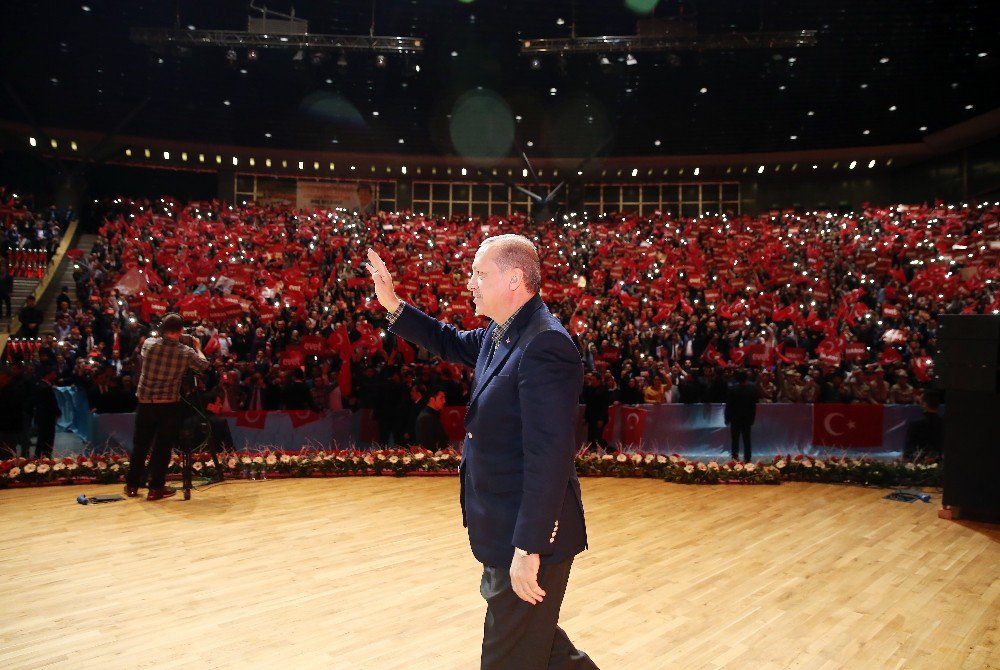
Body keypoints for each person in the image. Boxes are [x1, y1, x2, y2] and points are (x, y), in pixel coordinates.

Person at [367, 236, 598, 669]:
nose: (470, 283)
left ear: (514, 279)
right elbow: (449, 341)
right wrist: (392, 303)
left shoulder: (544, 345)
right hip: (504, 530)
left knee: (506, 657)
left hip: (528, 539)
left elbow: (550, 457)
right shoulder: (503, 330)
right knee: (546, 650)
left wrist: (530, 549)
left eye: (479, 274)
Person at [125, 313, 209, 501]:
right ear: (180, 331)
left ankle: (132, 485)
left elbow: (151, 345)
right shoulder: (185, 352)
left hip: (145, 404)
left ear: (162, 329)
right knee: (162, 448)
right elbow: (203, 365)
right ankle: (155, 489)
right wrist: (197, 347)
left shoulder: (148, 344)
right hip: (168, 406)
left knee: (140, 446)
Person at [724, 369, 758, 462]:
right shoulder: (751, 389)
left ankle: (735, 457)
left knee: (735, 439)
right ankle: (748, 458)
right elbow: (753, 406)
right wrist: (752, 418)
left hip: (735, 419)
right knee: (747, 439)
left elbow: (729, 405)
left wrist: (727, 418)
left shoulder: (733, 389)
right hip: (747, 419)